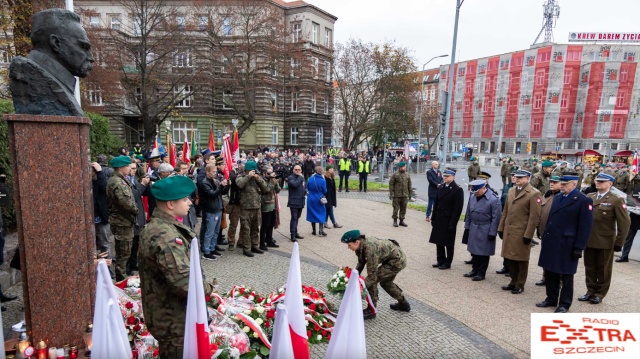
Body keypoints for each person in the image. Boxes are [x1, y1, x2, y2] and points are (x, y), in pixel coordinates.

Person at [139, 175, 214, 356]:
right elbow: (185, 284)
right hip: (176, 323)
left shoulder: (160, 227)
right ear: (171, 204)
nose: (189, 203)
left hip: (173, 318)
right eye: (184, 199)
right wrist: (210, 288)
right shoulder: (167, 236)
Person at [9, 9, 94, 116]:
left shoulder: (59, 83)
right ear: (56, 43)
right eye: (84, 47)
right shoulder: (28, 76)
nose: (91, 57)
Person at [536, 173, 593, 313]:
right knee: (550, 271)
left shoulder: (582, 200)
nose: (561, 187)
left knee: (566, 275)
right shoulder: (557, 197)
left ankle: (564, 303)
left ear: (574, 184)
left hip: (567, 243)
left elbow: (585, 226)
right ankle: (551, 298)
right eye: (561, 184)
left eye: (564, 184)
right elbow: (550, 219)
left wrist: (579, 247)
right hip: (552, 240)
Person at [579, 173, 630, 304]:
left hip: (605, 241)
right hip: (589, 239)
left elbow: (624, 223)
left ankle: (599, 293)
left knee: (603, 270)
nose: (598, 183)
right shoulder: (590, 197)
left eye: (602, 181)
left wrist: (619, 242)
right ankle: (590, 291)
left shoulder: (616, 200)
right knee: (589, 267)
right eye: (597, 181)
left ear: (610, 184)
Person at [342, 230, 410, 320]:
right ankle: (404, 304)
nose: (348, 247)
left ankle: (371, 310)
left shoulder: (370, 250)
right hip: (391, 259)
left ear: (357, 242)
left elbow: (372, 277)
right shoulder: (361, 246)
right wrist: (353, 278)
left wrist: (358, 289)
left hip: (397, 261)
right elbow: (361, 263)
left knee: (372, 280)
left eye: (349, 245)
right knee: (386, 283)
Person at [497, 169, 541, 294]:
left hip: (522, 232)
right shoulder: (511, 191)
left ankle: (520, 284)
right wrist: (500, 228)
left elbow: (534, 217)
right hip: (509, 231)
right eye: (516, 177)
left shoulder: (533, 193)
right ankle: (513, 281)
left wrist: (529, 235)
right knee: (509, 258)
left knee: (521, 259)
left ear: (528, 178)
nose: (517, 180)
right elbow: (505, 211)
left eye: (521, 178)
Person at [106, 155, 139, 281]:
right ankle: (121, 280)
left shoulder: (119, 179)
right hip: (122, 222)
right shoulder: (117, 182)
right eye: (127, 166)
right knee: (123, 254)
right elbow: (125, 203)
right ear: (120, 168)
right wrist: (137, 211)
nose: (129, 168)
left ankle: (122, 277)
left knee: (125, 252)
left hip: (124, 221)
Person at [462, 180, 502, 281]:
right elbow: (468, 214)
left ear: (483, 188)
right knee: (474, 251)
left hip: (486, 228)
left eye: (477, 191)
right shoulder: (472, 197)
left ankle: (481, 273)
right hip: (474, 227)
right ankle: (474, 270)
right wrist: (467, 227)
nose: (475, 193)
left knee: (484, 252)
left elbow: (496, 217)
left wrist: (493, 232)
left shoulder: (493, 199)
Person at [429, 168, 464, 269]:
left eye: (447, 176)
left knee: (449, 242)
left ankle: (447, 262)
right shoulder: (441, 187)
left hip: (448, 219)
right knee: (438, 241)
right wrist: (433, 217)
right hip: (439, 218)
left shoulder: (457, 189)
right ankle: (440, 260)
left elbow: (457, 209)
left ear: (453, 177)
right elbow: (436, 204)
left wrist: (453, 223)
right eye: (444, 176)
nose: (445, 178)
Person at [236, 161, 269, 257]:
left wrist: (259, 179)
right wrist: (248, 176)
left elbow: (266, 189)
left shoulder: (257, 177)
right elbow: (239, 185)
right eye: (252, 170)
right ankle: (246, 248)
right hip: (246, 207)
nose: (254, 172)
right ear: (247, 170)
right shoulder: (241, 176)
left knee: (255, 228)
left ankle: (255, 245)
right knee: (246, 229)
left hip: (257, 207)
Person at [534, 175, 562, 286]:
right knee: (545, 255)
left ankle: (557, 279)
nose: (552, 184)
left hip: (556, 233)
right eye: (551, 182)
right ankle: (545, 277)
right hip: (544, 231)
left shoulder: (561, 197)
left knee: (556, 257)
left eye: (555, 182)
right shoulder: (547, 195)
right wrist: (538, 228)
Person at [200, 164, 229, 260]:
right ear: (207, 172)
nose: (215, 173)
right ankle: (206, 251)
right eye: (213, 172)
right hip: (211, 210)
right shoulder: (205, 183)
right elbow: (212, 194)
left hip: (218, 208)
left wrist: (226, 185)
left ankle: (212, 248)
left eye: (215, 171)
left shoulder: (214, 180)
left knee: (216, 231)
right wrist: (221, 186)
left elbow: (222, 192)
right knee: (210, 232)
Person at [127, 162, 150, 275]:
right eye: (131, 168)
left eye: (135, 168)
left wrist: (147, 184)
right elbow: (134, 195)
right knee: (130, 243)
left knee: (136, 241)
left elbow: (143, 192)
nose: (134, 170)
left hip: (138, 214)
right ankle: (127, 267)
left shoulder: (134, 179)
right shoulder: (124, 181)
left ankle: (133, 263)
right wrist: (142, 184)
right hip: (130, 217)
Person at [259, 166, 281, 251]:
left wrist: (276, 182)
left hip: (273, 205)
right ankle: (262, 243)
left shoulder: (272, 180)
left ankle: (269, 240)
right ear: (264, 173)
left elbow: (278, 190)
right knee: (265, 225)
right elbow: (266, 189)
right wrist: (272, 181)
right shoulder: (261, 180)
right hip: (265, 206)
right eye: (268, 173)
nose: (270, 175)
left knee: (271, 224)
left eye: (271, 173)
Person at [389, 161, 412, 227]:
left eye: (405, 166)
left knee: (403, 208)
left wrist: (410, 194)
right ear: (400, 167)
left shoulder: (407, 175)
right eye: (404, 167)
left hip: (405, 195)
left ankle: (401, 221)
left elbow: (409, 185)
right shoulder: (395, 175)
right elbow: (391, 184)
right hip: (397, 195)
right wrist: (391, 193)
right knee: (396, 208)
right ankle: (395, 221)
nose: (405, 168)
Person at [307, 166, 328, 236]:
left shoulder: (310, 178)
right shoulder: (322, 180)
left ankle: (314, 231)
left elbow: (307, 187)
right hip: (319, 198)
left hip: (310, 198)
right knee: (321, 213)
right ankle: (321, 231)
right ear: (321, 172)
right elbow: (325, 190)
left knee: (312, 213)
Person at [287, 165, 306, 241]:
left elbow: (304, 185)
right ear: (293, 170)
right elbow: (294, 185)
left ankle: (295, 232)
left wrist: (305, 191)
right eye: (296, 169)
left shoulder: (302, 178)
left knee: (297, 218)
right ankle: (292, 234)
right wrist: (300, 177)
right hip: (294, 201)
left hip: (301, 201)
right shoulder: (291, 178)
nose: (298, 171)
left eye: (299, 169)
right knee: (294, 218)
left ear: (301, 170)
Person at [323, 165, 343, 229]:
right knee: (330, 210)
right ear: (328, 170)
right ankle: (334, 223)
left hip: (331, 196)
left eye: (332, 168)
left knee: (328, 210)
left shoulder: (332, 177)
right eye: (330, 168)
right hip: (327, 196)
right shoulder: (325, 178)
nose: (332, 170)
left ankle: (325, 222)